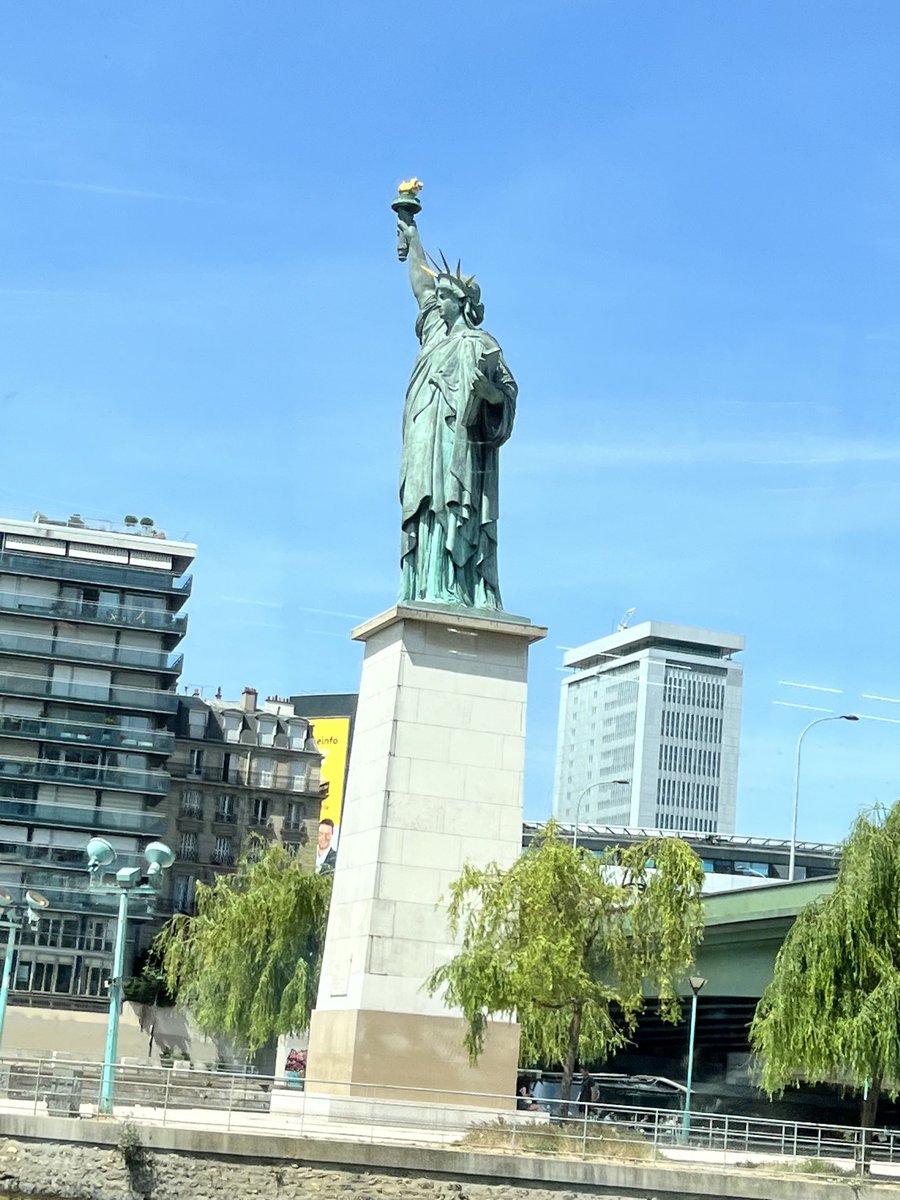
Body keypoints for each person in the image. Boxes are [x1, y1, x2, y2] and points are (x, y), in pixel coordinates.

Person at [395, 199, 518, 609]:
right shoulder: (434, 335)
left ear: (462, 302)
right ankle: (427, 586)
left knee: (453, 510)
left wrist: (490, 395)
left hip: (460, 449)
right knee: (428, 511)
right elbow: (420, 288)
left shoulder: (482, 345)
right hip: (424, 443)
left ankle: (459, 589)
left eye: (446, 296)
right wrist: (413, 238)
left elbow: (507, 395)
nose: (438, 301)